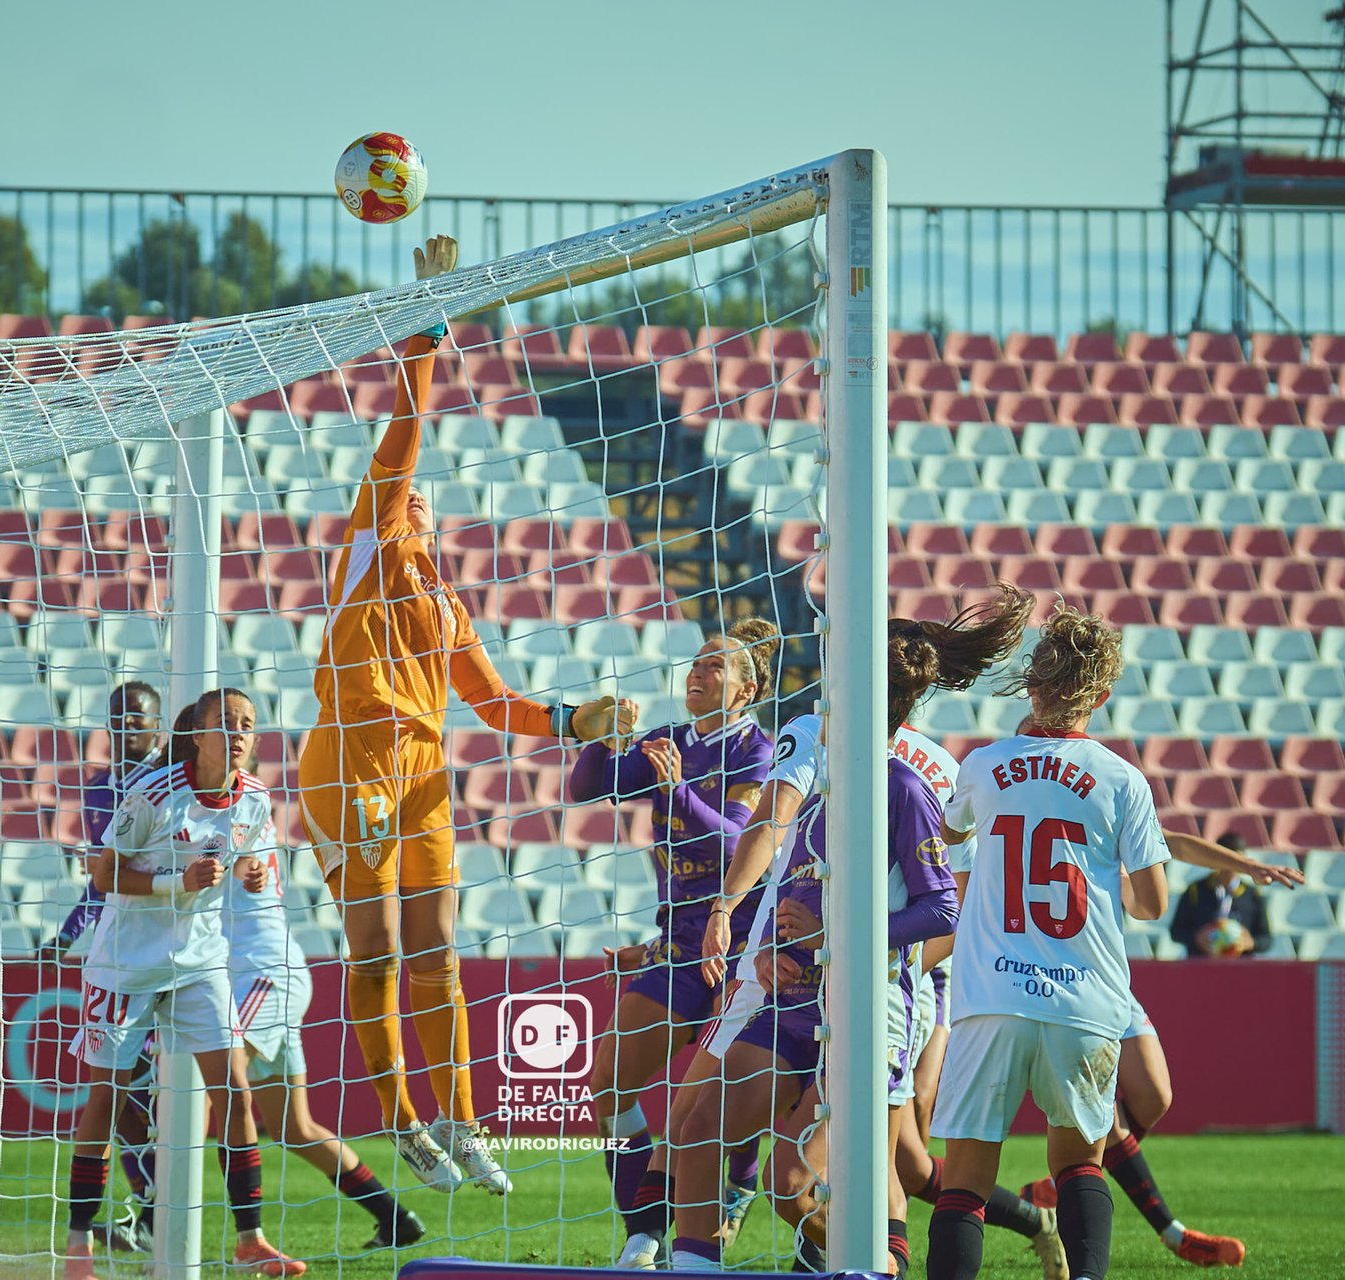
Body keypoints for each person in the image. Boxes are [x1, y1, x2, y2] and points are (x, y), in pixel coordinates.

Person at [296, 234, 633, 1194]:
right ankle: (401, 1118)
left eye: (424, 515)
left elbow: (495, 702)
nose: (418, 516)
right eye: (409, 508)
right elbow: (399, 446)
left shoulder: (442, 604)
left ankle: (461, 1118)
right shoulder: (367, 547)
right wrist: (427, 329)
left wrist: (578, 722)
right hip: (352, 757)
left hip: (425, 772)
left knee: (441, 944)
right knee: (379, 950)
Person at [669, 588, 1035, 1276]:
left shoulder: (905, 785)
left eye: (837, 683)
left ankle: (869, 1264)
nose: (824, 695)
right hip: (791, 990)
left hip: (871, 1004)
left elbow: (946, 911)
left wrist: (836, 944)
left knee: (817, 1178)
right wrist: (776, 941)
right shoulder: (827, 774)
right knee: (696, 1134)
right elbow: (796, 880)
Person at [927, 606, 1171, 1280]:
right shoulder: (1123, 780)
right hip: (1084, 1001)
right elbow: (1152, 904)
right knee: (1077, 1165)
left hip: (991, 996)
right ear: (1103, 695)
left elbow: (948, 836)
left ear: (1031, 685)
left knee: (966, 1182)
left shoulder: (984, 764)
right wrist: (1098, 882)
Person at [63, 688, 304, 1279]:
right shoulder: (152, 793)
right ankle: (77, 1249)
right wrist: (181, 881)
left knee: (236, 1092)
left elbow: (255, 860)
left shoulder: (255, 798)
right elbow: (106, 872)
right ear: (197, 735)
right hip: (127, 961)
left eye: (249, 724)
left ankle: (251, 1239)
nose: (241, 734)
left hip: (199, 960)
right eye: (227, 723)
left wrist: (250, 873)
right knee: (108, 1098)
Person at [566, 619, 780, 1263]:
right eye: (697, 660)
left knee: (715, 1107)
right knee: (606, 1085)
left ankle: (737, 1187)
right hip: (677, 943)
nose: (698, 671)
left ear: (745, 690)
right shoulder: (668, 740)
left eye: (716, 666)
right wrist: (604, 742)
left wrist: (676, 792)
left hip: (742, 947)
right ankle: (643, 1228)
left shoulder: (758, 752)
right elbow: (586, 790)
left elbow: (741, 845)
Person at [1017, 828, 1300, 1269]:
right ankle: (1174, 1234)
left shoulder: (1104, 797)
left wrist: (1248, 866)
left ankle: (1052, 1191)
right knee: (1103, 1120)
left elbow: (1174, 843)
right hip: (1058, 984)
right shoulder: (1034, 805)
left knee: (1155, 1096)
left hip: (1109, 979)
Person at [224, 767, 426, 1252]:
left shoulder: (229, 810)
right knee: (295, 1130)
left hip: (262, 976)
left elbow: (234, 866)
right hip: (266, 976)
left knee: (215, 1090)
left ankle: (194, 1226)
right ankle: (396, 1218)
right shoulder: (218, 809)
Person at [40, 681, 165, 1254]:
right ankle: (151, 1213)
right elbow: (103, 881)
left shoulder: (174, 781)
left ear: (159, 724)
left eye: (137, 717)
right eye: (116, 717)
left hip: (178, 950)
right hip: (122, 956)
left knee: (179, 1093)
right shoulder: (98, 791)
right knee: (121, 1095)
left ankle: (184, 1216)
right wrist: (64, 937)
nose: (125, 727)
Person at [1168, 834, 1271, 958]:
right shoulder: (1195, 890)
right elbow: (1176, 932)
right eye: (1226, 857)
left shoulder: (1253, 894)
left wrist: (1251, 943)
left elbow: (1266, 939)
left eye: (1237, 858)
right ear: (1215, 857)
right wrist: (1196, 938)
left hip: (1240, 968)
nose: (1231, 864)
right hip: (1201, 965)